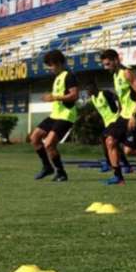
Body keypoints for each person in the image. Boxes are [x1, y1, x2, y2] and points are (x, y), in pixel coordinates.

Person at [100, 49, 136, 185]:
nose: (105, 67)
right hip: (124, 115)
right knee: (109, 141)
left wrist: (134, 115)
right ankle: (118, 177)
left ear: (116, 60)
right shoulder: (115, 75)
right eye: (104, 65)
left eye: (108, 64)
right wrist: (119, 111)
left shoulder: (127, 72)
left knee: (128, 150)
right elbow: (122, 97)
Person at [30, 50, 79, 182]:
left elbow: (74, 95)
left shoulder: (69, 75)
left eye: (51, 65)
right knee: (34, 138)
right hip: (55, 115)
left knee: (49, 144)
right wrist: (52, 98)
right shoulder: (58, 78)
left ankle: (61, 173)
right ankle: (47, 167)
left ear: (59, 63)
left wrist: (54, 97)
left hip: (66, 115)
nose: (50, 69)